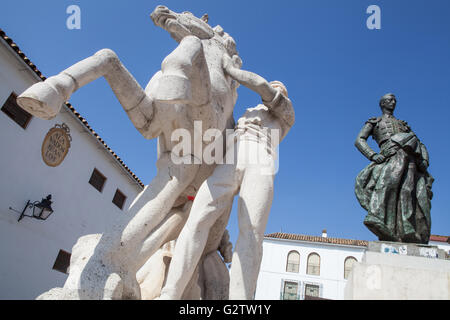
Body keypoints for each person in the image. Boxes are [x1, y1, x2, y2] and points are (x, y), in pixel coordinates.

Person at [159, 54, 295, 300]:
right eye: (276, 88)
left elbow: (261, 86)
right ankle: (170, 293)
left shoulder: (285, 112)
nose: (276, 89)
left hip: (261, 158)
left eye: (280, 89)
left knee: (251, 232)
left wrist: (231, 70)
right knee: (197, 220)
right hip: (232, 156)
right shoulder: (248, 110)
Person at [354, 93, 433, 244]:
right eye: (390, 100)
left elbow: (419, 143)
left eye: (395, 100)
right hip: (390, 157)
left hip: (409, 159)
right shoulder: (375, 122)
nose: (393, 102)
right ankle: (377, 217)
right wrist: (372, 155)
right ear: (382, 103)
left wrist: (424, 160)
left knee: (408, 192)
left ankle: (407, 229)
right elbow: (359, 140)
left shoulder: (403, 125)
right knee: (388, 184)